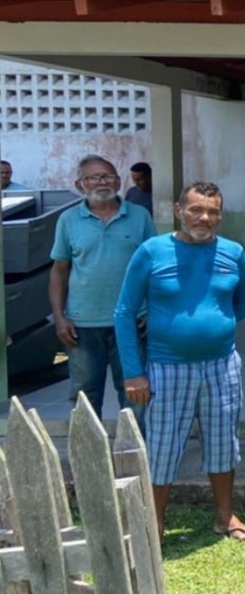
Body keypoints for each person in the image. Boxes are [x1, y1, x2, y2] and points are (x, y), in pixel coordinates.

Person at [113, 182, 245, 541]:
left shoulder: (233, 252)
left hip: (222, 366)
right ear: (179, 210)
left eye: (212, 211)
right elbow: (125, 311)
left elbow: (241, 304)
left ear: (220, 216)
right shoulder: (151, 251)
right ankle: (154, 524)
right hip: (165, 366)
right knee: (162, 446)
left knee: (224, 443)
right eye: (195, 209)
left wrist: (210, 329)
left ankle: (225, 517)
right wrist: (133, 372)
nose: (204, 217)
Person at [50, 155, 156, 420]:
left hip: (132, 323)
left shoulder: (139, 216)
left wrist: (153, 310)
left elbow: (154, 269)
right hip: (82, 325)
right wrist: (60, 318)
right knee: (84, 396)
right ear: (80, 184)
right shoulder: (68, 220)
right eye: (93, 177)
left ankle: (136, 456)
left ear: (119, 181)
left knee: (136, 392)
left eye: (108, 176)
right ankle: (88, 458)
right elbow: (59, 271)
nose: (102, 182)